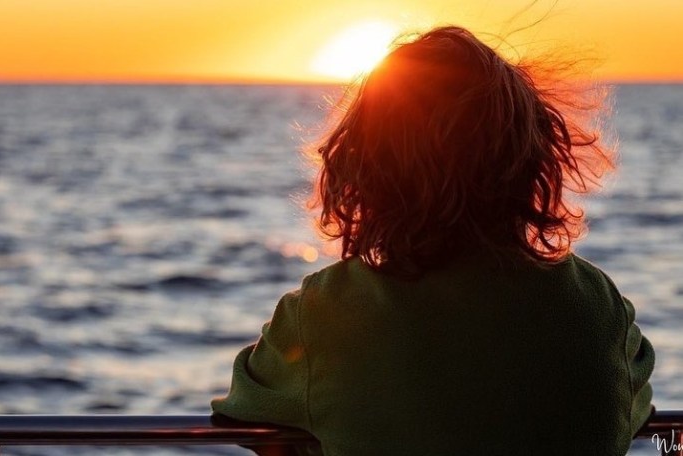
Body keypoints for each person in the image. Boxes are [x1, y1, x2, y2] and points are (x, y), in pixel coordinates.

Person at [211, 25, 655, 455]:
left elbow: (245, 413)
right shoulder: (595, 305)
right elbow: (629, 409)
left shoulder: (326, 313)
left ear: (365, 169)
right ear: (533, 160)